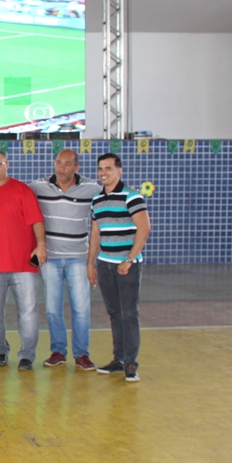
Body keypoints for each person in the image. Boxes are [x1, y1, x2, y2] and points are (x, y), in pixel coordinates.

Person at [30, 149, 101, 371]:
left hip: (78, 258)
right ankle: (58, 351)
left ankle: (81, 354)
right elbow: (11, 191)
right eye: (59, 163)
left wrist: (132, 193)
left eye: (68, 164)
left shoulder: (91, 189)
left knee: (81, 308)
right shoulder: (39, 186)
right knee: (52, 308)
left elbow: (112, 194)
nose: (62, 168)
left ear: (76, 168)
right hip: (50, 258)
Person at [0, 150, 46, 371]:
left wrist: (41, 245)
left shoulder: (22, 190)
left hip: (23, 264)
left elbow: (37, 221)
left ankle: (26, 354)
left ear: (7, 165)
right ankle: (0, 351)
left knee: (28, 310)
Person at [89, 153, 150, 382]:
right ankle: (119, 359)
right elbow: (95, 233)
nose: (103, 172)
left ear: (119, 170)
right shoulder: (97, 200)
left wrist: (129, 260)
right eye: (100, 168)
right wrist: (91, 264)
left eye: (108, 168)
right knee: (114, 313)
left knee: (129, 314)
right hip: (105, 264)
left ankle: (131, 363)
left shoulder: (132, 197)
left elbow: (144, 230)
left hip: (128, 267)